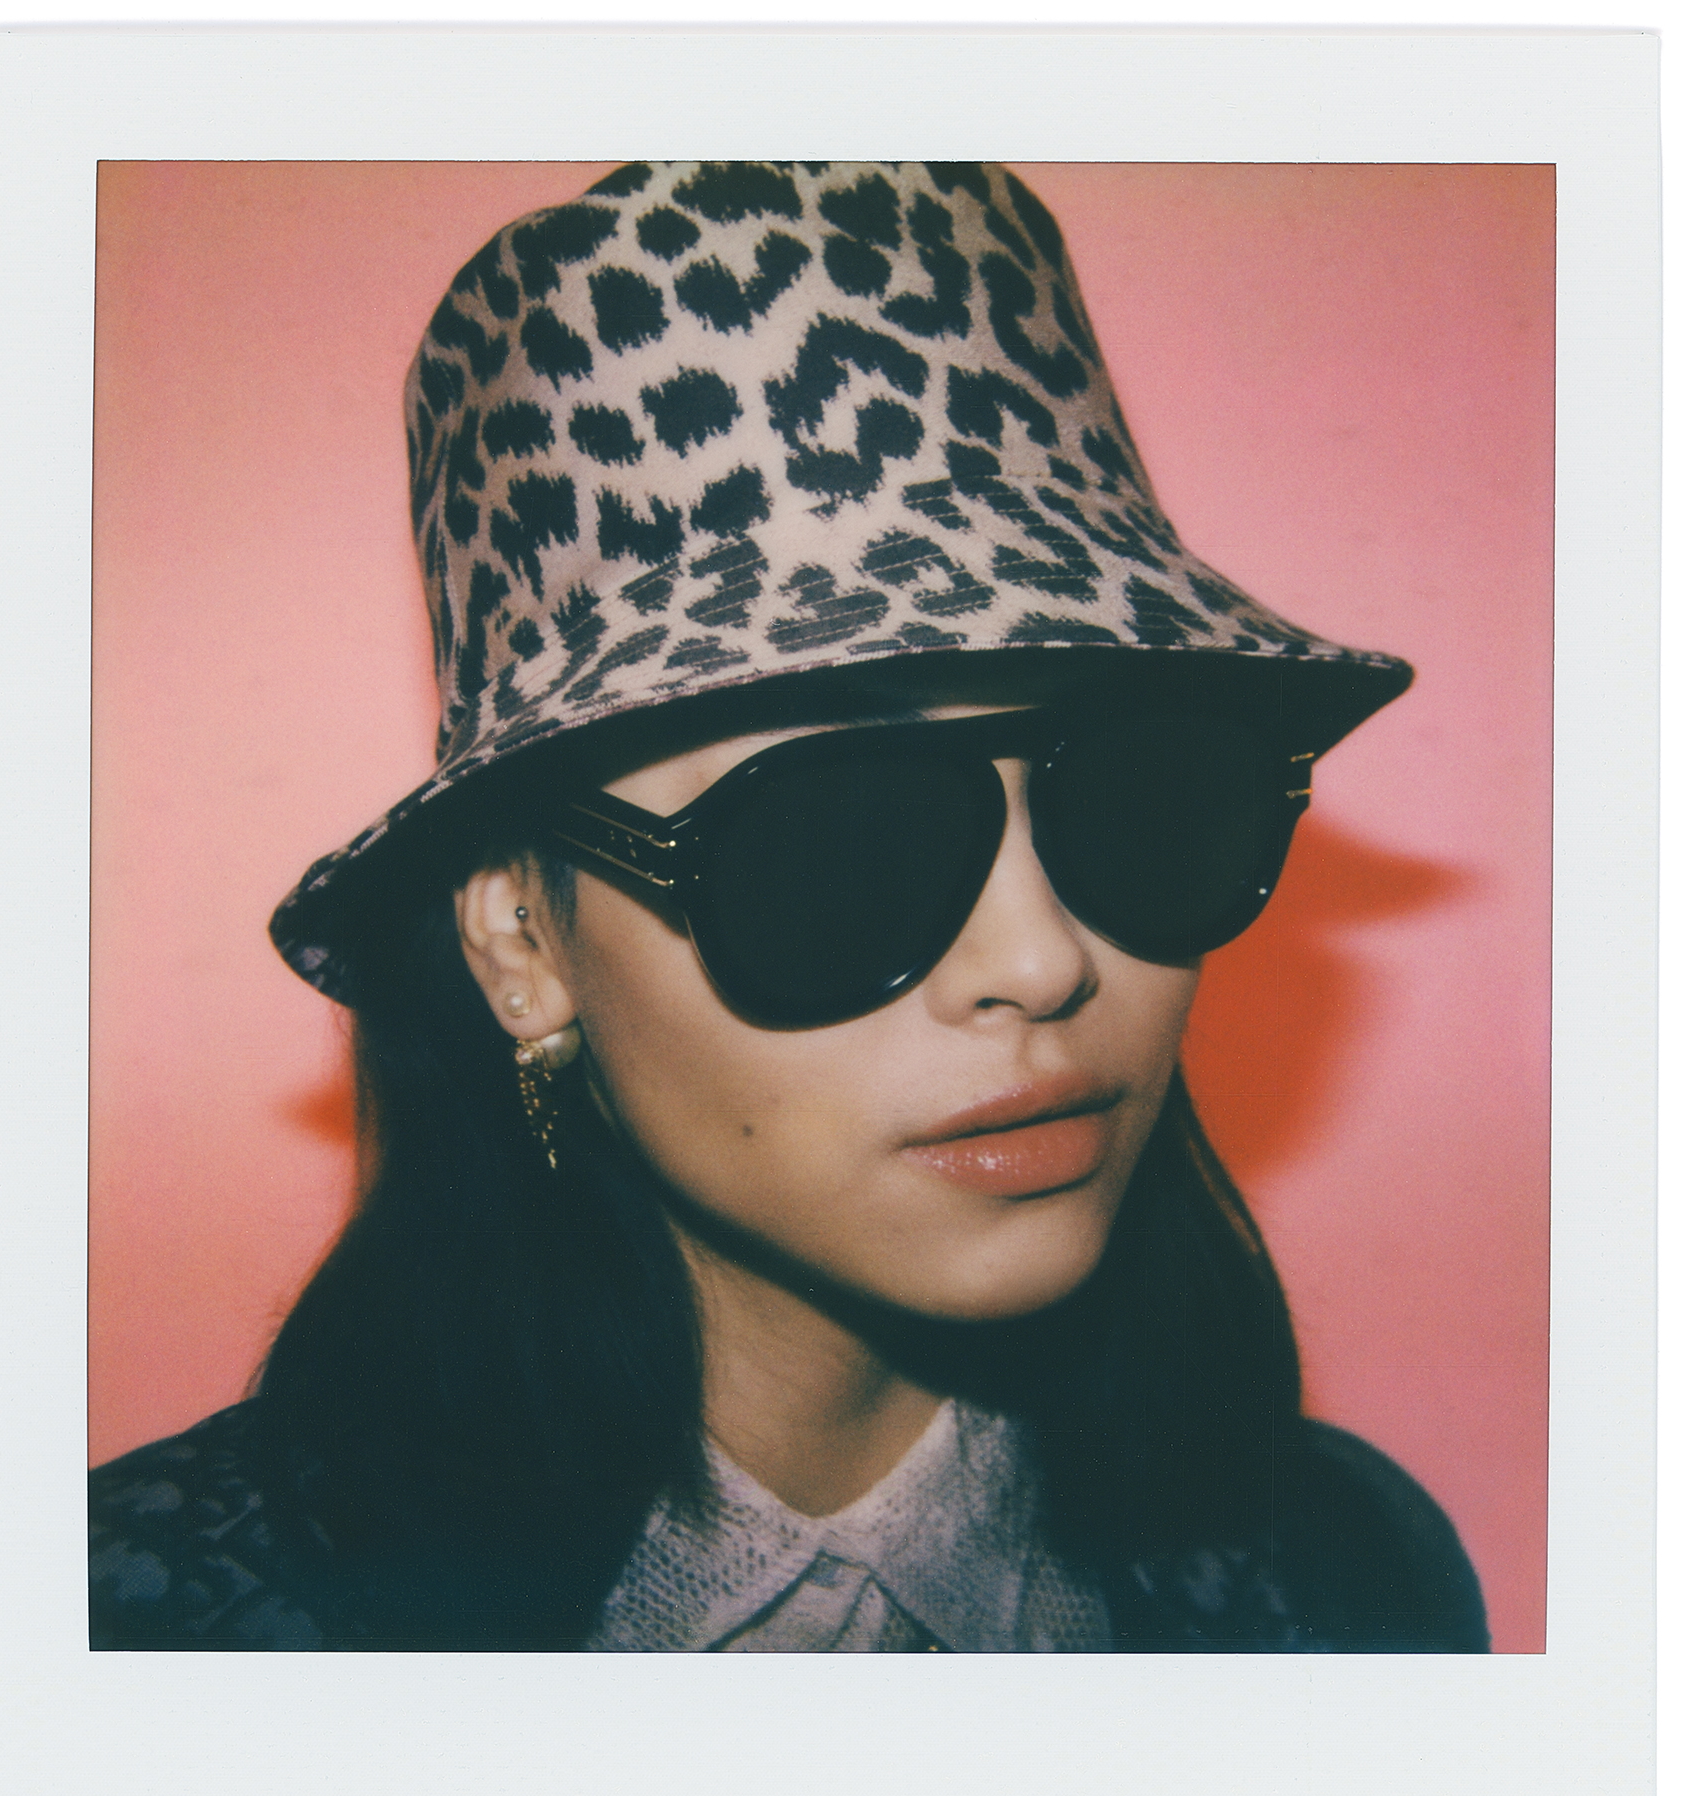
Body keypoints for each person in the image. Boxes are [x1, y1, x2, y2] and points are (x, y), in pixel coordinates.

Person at [87, 160, 1488, 1654]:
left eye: (1146, 806)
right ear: (520, 939)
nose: (1041, 962)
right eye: (835, 848)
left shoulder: (1348, 1580)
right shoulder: (137, 1633)